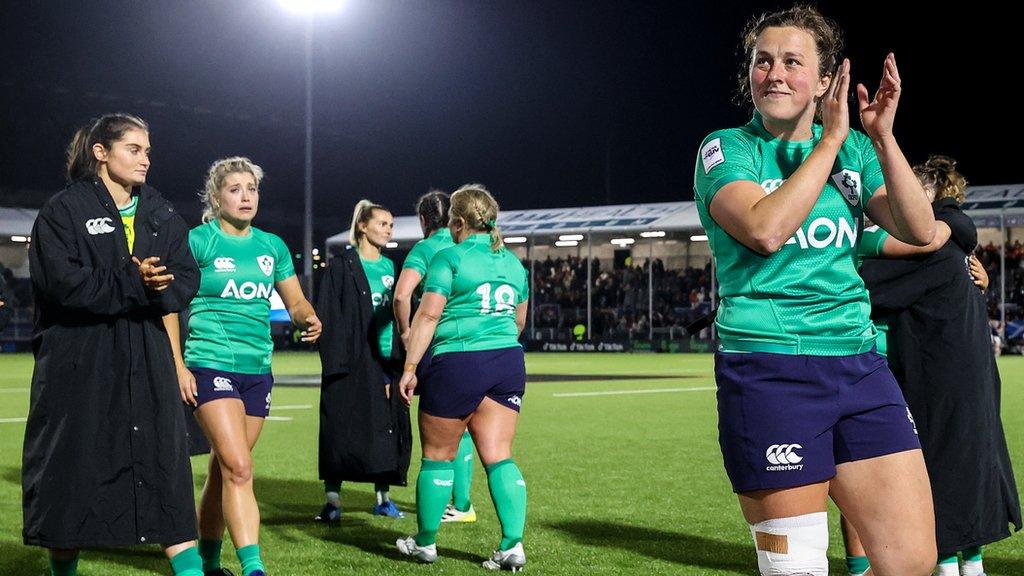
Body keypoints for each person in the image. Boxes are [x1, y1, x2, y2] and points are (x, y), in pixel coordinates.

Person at [693, 6, 938, 575]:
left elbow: (920, 229)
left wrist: (880, 137)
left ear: (826, 80)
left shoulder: (855, 153)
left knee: (911, 561)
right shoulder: (726, 149)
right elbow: (764, 229)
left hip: (859, 366)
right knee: (797, 568)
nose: (774, 73)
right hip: (770, 371)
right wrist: (829, 142)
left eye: (792, 62)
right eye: (762, 61)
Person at [22, 113, 203, 576]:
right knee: (71, 480)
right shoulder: (63, 211)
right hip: (81, 363)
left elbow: (186, 276)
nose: (146, 160)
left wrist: (161, 285)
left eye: (148, 151)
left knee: (166, 476)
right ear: (101, 153)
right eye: (134, 149)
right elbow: (62, 285)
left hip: (149, 359)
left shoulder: (161, 212)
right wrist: (134, 281)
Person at [847, 156, 1022, 576]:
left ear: (931, 195)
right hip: (958, 371)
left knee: (894, 467)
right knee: (960, 460)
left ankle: (940, 560)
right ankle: (967, 562)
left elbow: (868, 287)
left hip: (919, 373)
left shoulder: (932, 247)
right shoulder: (949, 245)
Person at [163, 157, 321, 576]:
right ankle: (254, 568)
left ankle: (211, 563)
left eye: (251, 188)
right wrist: (178, 364)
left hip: (258, 371)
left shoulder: (272, 247)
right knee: (240, 466)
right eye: (234, 189)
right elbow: (167, 305)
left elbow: (295, 302)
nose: (245, 196)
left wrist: (309, 318)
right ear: (216, 197)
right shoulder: (197, 241)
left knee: (223, 469)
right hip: (210, 363)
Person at [394, 184, 530, 571]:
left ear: (457, 222)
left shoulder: (449, 257)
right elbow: (518, 322)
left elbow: (428, 316)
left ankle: (424, 543)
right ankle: (511, 545)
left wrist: (409, 368)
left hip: (457, 361)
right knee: (500, 456)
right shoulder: (515, 264)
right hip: (507, 361)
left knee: (437, 456)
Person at [315, 200, 412, 523]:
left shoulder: (391, 268)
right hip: (351, 362)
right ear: (362, 226)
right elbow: (330, 313)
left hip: (386, 362)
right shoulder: (342, 266)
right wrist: (336, 362)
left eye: (390, 225)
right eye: (382, 223)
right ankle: (333, 501)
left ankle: (383, 498)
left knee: (385, 429)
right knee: (339, 429)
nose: (387, 230)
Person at [393, 190, 478, 523]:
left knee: (438, 434)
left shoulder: (426, 248)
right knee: (465, 427)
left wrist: (405, 333)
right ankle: (463, 503)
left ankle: (441, 514)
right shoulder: (464, 246)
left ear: (423, 220)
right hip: (470, 346)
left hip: (435, 345)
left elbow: (402, 296)